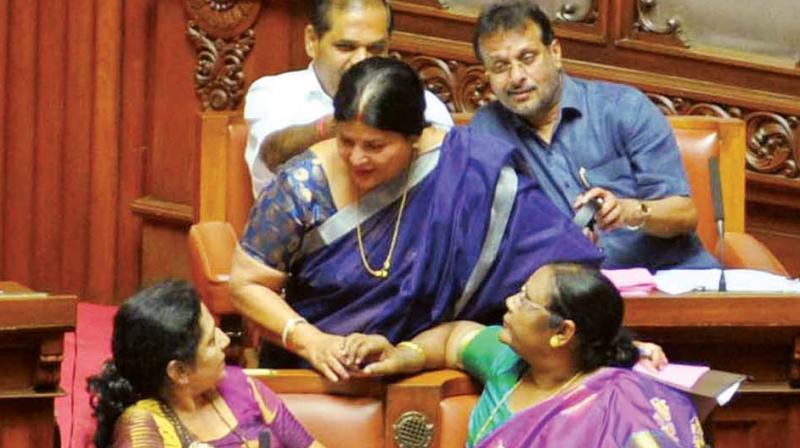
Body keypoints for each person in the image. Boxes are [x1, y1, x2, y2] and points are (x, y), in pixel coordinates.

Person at [229, 57, 604, 381]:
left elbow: (564, 273)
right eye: (346, 141)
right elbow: (247, 284)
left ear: (415, 137)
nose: (357, 158)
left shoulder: (471, 172)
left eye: (375, 146)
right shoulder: (303, 184)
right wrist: (311, 341)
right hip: (314, 373)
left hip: (438, 370)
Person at [468, 0, 719, 271]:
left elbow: (684, 215)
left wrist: (629, 212)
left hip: (672, 281)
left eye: (527, 58)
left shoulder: (624, 108)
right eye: (501, 66)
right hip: (578, 297)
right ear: (488, 76)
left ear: (555, 53)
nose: (516, 77)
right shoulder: (486, 134)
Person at [360, 263, 704, 447]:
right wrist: (404, 355)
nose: (510, 302)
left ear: (562, 333)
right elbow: (453, 338)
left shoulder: (618, 406)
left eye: (525, 300)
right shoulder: (507, 359)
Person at [243, 0, 453, 197]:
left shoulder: (425, 104)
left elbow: (448, 176)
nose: (361, 60)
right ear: (312, 41)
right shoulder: (273, 93)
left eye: (375, 49)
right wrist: (340, 125)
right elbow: (271, 157)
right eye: (346, 47)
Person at [87, 280, 322, 448]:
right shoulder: (143, 426)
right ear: (179, 371)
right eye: (211, 341)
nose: (226, 340)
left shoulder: (241, 385)